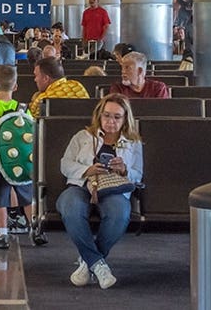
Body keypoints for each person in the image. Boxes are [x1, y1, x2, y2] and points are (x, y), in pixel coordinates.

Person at [57, 94, 144, 289]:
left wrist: (124, 170)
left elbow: (138, 174)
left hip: (113, 188)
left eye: (116, 117)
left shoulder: (133, 142)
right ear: (99, 116)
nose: (110, 121)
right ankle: (98, 264)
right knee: (71, 208)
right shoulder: (82, 136)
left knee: (120, 213)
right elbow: (65, 164)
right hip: (81, 185)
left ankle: (88, 261)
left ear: (124, 120)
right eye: (106, 116)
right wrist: (87, 170)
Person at [0, 64, 43, 249]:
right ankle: (36, 230)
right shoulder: (22, 108)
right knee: (27, 198)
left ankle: (2, 234)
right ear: (16, 86)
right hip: (23, 163)